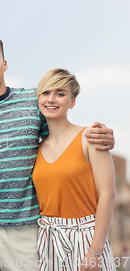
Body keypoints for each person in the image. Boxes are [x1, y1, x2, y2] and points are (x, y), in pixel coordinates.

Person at [0, 32, 115, 271]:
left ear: (4, 64)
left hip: (24, 229)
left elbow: (62, 128)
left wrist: (104, 136)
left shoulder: (33, 100)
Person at [33, 68, 115, 271]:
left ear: (72, 102)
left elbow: (108, 195)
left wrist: (95, 252)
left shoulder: (90, 137)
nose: (51, 99)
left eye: (60, 94)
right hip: (48, 241)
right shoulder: (35, 149)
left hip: (87, 239)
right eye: (46, 93)